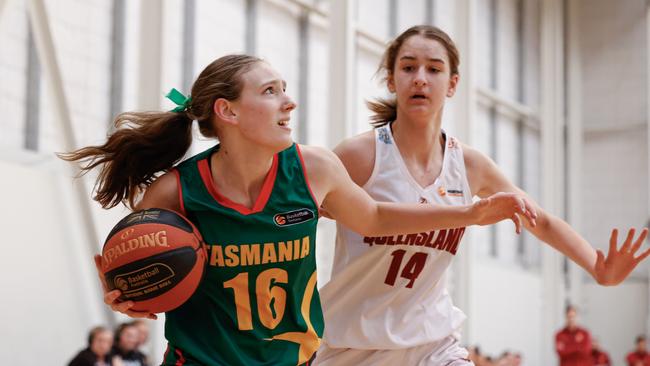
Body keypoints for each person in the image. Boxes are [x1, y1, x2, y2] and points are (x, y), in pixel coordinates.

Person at [60, 54, 535, 365]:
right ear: (227, 111)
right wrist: (123, 291)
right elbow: (129, 266)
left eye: (284, 88)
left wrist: (470, 213)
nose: (290, 101)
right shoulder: (174, 192)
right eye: (270, 92)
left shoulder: (312, 169)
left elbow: (377, 218)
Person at [313, 25, 650, 366]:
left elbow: (541, 221)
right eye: (408, 66)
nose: (420, 78)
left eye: (434, 68)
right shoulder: (359, 155)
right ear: (391, 80)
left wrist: (597, 267)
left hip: (431, 344)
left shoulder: (469, 165)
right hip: (353, 345)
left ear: (453, 84)